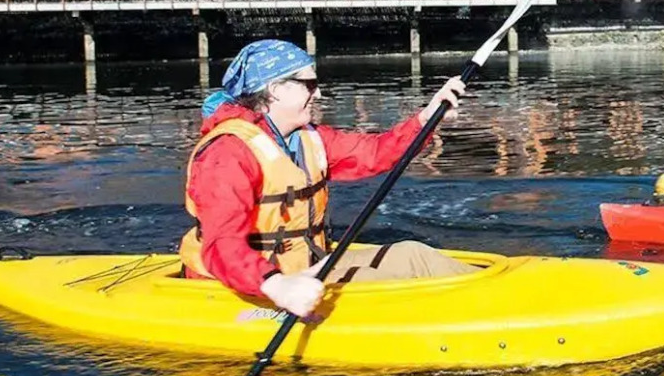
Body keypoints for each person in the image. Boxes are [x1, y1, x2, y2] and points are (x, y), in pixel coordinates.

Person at [180, 39, 472, 318]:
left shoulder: (307, 138)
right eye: (309, 84)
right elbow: (222, 245)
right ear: (275, 89)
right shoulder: (227, 154)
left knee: (412, 255)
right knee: (376, 279)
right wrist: (278, 285)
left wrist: (425, 120)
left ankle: (499, 292)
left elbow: (375, 153)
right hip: (247, 285)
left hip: (303, 268)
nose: (318, 93)